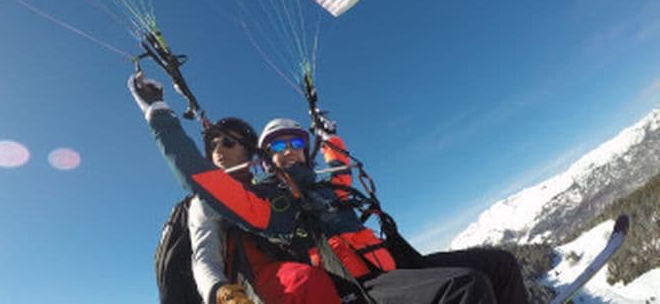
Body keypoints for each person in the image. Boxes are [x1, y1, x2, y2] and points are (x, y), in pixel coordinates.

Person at [129, 74, 511, 303]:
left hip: (393, 263)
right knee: (465, 288)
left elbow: (340, 175)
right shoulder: (271, 201)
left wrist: (329, 138)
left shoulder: (325, 187)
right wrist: (159, 113)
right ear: (264, 160)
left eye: (295, 142)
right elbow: (203, 182)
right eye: (276, 147)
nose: (288, 151)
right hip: (359, 284)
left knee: (501, 265)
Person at [135, 76, 342, 304]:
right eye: (213, 145)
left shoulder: (269, 189)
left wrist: (329, 138)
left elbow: (337, 183)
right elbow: (205, 257)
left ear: (249, 152)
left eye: (228, 143)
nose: (219, 150)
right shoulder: (206, 200)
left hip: (299, 265)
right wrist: (220, 293)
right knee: (305, 283)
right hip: (250, 283)